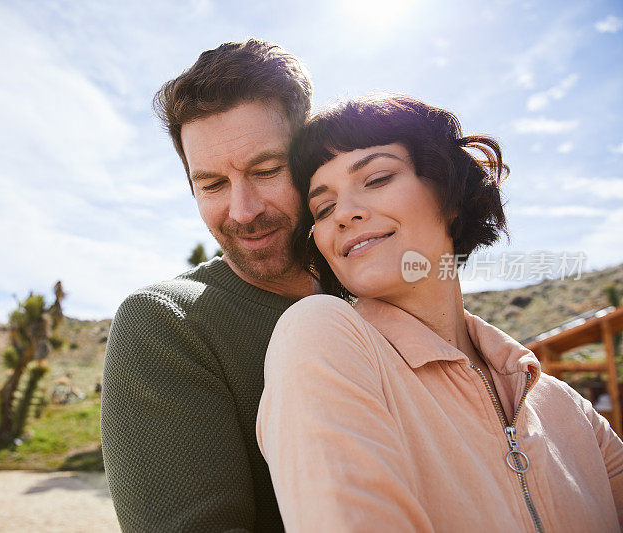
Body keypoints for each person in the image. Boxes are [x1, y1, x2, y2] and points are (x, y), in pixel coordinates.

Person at [256, 94, 623, 532]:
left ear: (449, 193)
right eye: (324, 207)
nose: (346, 214)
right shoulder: (318, 335)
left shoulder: (571, 411)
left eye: (376, 178)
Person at [101, 39, 315, 531]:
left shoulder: (377, 293)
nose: (243, 211)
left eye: (266, 170)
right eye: (212, 185)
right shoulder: (163, 325)